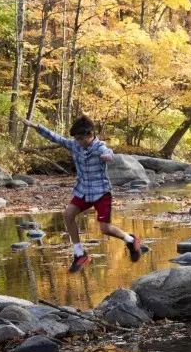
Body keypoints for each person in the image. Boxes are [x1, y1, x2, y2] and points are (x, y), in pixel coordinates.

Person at [21, 116, 142, 272]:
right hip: (83, 190)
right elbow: (56, 138)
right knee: (68, 214)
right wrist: (35, 126)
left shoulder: (99, 148)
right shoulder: (75, 145)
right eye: (76, 139)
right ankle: (80, 254)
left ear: (89, 135)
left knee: (105, 229)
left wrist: (107, 157)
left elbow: (108, 152)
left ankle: (131, 240)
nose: (78, 141)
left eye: (80, 138)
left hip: (101, 192)